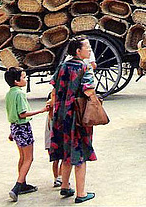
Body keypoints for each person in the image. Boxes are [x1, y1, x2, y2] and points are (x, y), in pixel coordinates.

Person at [49, 36, 97, 203]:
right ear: (78, 51)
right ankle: (81, 194)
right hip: (77, 117)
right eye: (87, 47)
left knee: (65, 150)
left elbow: (54, 87)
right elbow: (88, 90)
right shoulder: (85, 68)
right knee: (80, 154)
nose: (89, 50)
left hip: (61, 115)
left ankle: (64, 186)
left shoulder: (62, 66)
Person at [4, 67, 49, 201]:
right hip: (23, 127)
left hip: (15, 127)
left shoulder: (10, 93)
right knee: (29, 158)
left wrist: (12, 132)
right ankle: (17, 187)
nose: (26, 79)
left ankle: (22, 183)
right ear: (17, 81)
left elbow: (12, 113)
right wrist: (41, 111)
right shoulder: (20, 94)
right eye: (23, 77)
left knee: (22, 157)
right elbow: (22, 114)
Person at [44, 91, 62, 187]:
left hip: (51, 141)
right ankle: (59, 177)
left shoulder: (52, 114)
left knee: (56, 161)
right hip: (55, 140)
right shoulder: (55, 113)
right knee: (62, 159)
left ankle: (57, 178)